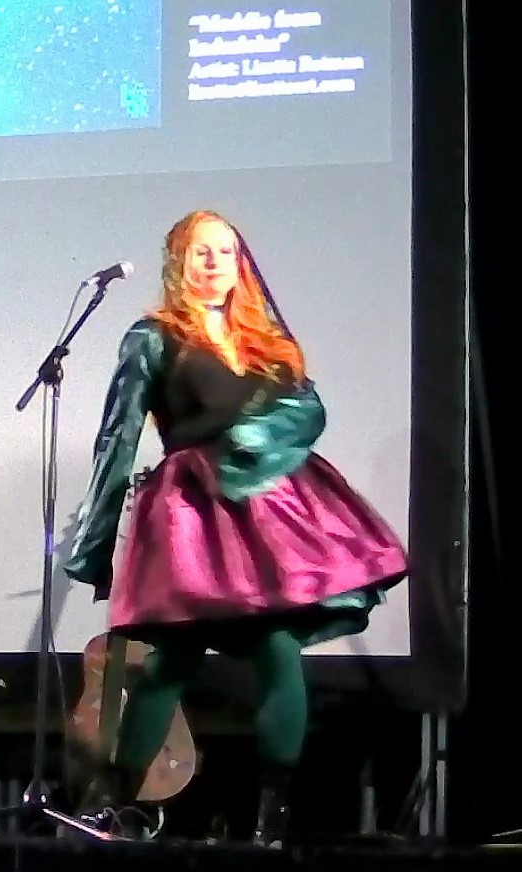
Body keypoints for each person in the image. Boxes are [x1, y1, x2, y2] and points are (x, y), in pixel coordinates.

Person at [63, 209, 408, 847]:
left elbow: (308, 408)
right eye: (201, 251)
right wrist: (96, 540)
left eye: (226, 250)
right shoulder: (153, 338)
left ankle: (271, 822)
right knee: (173, 660)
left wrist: (256, 437)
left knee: (279, 648)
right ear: (179, 263)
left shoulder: (266, 339)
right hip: (192, 511)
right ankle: (117, 806)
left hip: (270, 512)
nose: (215, 262)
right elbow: (118, 436)